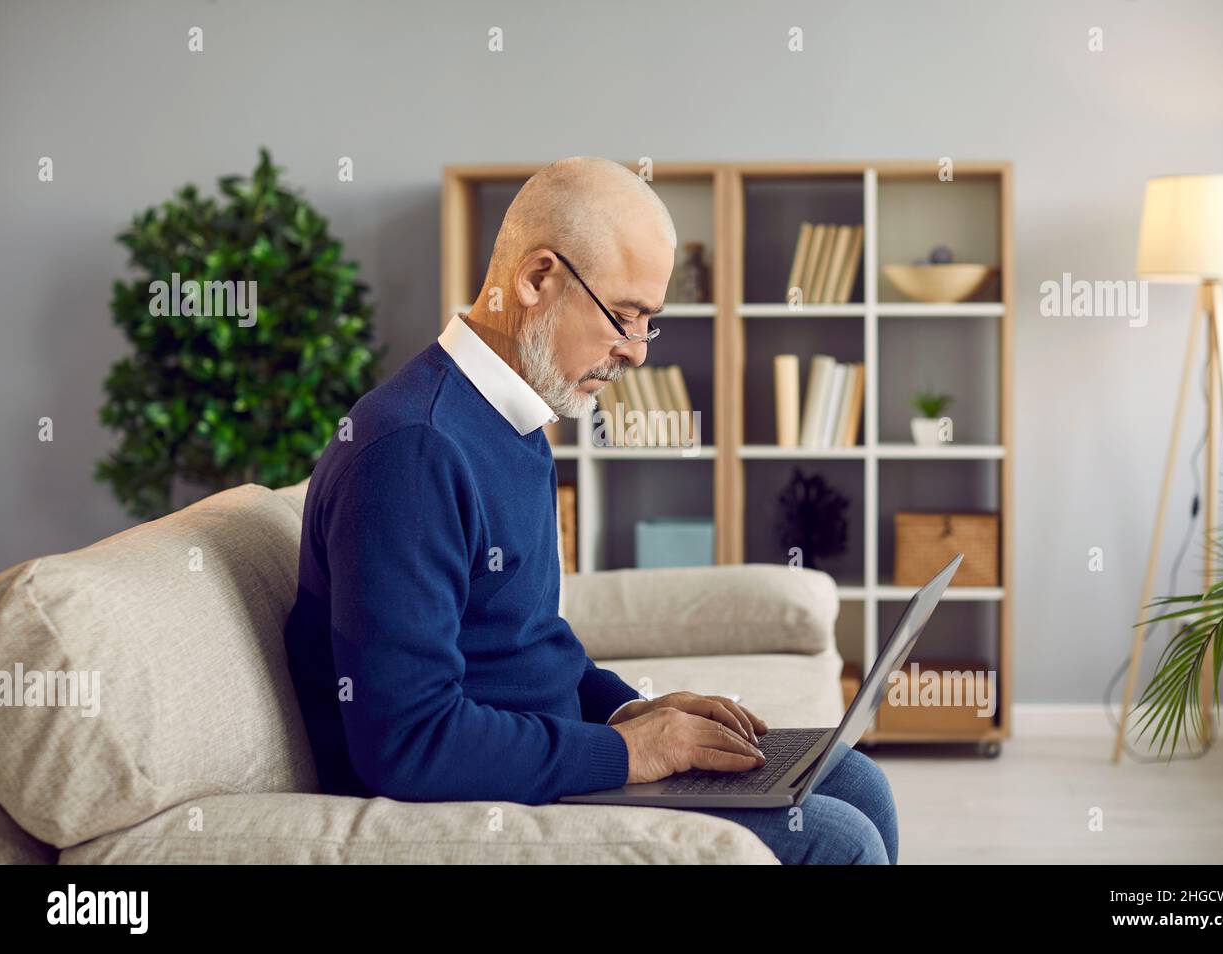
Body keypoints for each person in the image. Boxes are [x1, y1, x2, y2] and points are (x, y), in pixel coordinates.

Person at [283, 155, 897, 864]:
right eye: (624, 315)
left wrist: (630, 711)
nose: (636, 354)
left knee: (857, 781)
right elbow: (408, 742)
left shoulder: (514, 417)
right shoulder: (413, 449)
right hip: (475, 798)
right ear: (536, 278)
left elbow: (528, 645)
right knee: (836, 839)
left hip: (548, 759)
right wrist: (623, 753)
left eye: (649, 323)